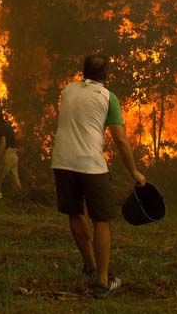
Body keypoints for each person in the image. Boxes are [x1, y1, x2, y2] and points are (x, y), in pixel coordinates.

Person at [50, 54, 146, 299]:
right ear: (106, 76)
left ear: (83, 72)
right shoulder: (108, 97)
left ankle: (91, 266)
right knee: (101, 219)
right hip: (91, 165)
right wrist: (134, 171)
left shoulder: (67, 91)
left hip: (62, 161)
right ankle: (103, 281)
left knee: (75, 212)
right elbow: (120, 139)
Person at [0, 107, 21, 200]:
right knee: (15, 179)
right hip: (14, 156)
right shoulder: (8, 125)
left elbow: (3, 144)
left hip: (6, 155)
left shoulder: (1, 128)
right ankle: (20, 199)